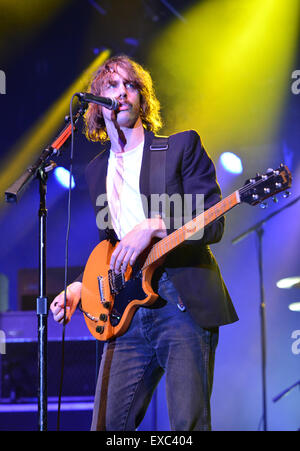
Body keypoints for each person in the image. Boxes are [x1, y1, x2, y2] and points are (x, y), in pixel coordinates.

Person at [50, 55, 238, 431]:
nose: (121, 93)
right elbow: (110, 247)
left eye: (130, 85)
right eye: (111, 86)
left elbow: (213, 223)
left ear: (142, 98)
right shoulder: (96, 170)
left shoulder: (178, 148)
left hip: (179, 300)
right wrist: (81, 289)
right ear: (96, 101)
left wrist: (156, 224)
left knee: (187, 426)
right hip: (128, 312)